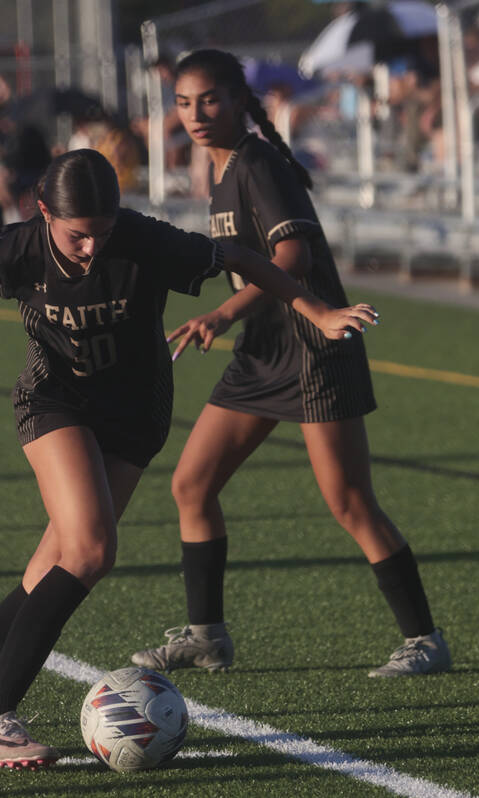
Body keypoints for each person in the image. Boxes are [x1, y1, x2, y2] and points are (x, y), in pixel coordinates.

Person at [0, 149, 376, 767]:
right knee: (92, 551)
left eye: (103, 231)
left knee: (52, 572)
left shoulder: (144, 239)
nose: (93, 246)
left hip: (134, 416)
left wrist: (320, 310)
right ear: (44, 212)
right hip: (54, 401)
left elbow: (246, 259)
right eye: (78, 234)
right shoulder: (21, 247)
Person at [130, 49, 449, 679]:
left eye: (210, 100)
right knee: (191, 486)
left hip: (312, 349)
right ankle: (206, 637)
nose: (194, 113)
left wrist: (222, 315)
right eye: (184, 102)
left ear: (240, 101)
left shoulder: (256, 163)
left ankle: (425, 641)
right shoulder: (219, 169)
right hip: (261, 354)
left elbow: (293, 257)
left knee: (351, 502)